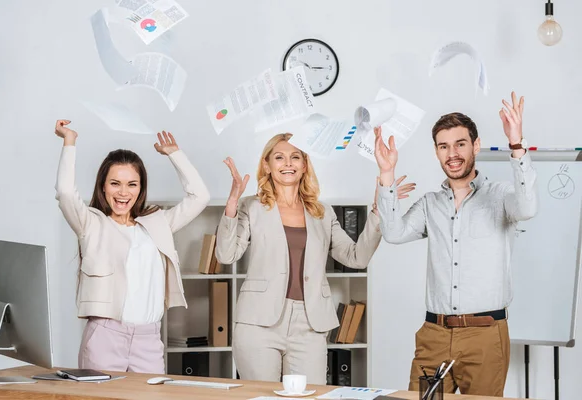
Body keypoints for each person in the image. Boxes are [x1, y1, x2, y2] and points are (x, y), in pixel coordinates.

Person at [215, 133, 415, 384]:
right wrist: (232, 204)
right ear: (266, 165)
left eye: (295, 157)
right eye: (279, 157)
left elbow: (357, 258)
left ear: (304, 165)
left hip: (310, 323)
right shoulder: (250, 206)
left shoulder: (322, 213)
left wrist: (377, 211)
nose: (288, 163)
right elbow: (226, 254)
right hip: (258, 323)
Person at [373, 92, 538, 396]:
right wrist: (387, 173)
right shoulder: (429, 204)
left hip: (485, 335)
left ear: (475, 145)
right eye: (443, 146)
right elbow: (393, 233)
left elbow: (527, 208)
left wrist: (517, 144)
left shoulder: (500, 195)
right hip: (434, 334)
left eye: (460, 144)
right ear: (436, 152)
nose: (452, 153)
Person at [54, 119, 210, 373]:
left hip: (148, 339)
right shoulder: (91, 224)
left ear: (141, 188)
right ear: (103, 186)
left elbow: (199, 197)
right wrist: (69, 141)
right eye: (115, 183)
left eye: (132, 184)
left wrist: (175, 155)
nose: (123, 192)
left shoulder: (158, 223)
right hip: (105, 337)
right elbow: (65, 193)